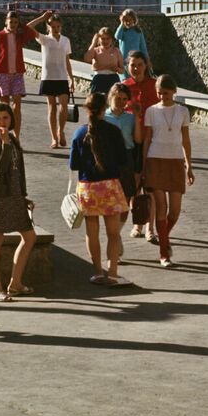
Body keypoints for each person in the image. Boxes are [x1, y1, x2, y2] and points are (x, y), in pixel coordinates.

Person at [69, 91, 131, 286]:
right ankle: (112, 273)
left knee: (92, 233)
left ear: (87, 109)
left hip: (88, 188)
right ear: (104, 108)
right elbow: (123, 160)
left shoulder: (80, 133)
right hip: (110, 185)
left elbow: (74, 164)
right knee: (113, 234)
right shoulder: (113, 131)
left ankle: (97, 272)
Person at [0, 103, 37, 302]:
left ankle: (15, 283)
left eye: (5, 118)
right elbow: (0, 168)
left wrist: (23, 195)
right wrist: (4, 143)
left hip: (14, 194)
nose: (2, 122)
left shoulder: (12, 138)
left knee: (29, 237)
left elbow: (17, 170)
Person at [141, 74, 193, 268]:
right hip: (155, 159)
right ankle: (164, 253)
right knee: (161, 207)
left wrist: (189, 165)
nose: (163, 96)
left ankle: (164, 238)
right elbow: (147, 138)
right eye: (160, 93)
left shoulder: (183, 111)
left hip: (176, 161)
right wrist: (144, 164)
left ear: (174, 92)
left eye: (167, 93)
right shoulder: (151, 111)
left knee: (175, 210)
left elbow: (186, 140)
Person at [121, 51, 161, 241]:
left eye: (139, 64)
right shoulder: (124, 87)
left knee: (151, 186)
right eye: (132, 65)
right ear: (127, 66)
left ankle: (150, 229)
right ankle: (138, 224)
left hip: (153, 142)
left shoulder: (154, 86)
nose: (136, 68)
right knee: (135, 186)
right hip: (131, 145)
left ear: (146, 65)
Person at [105, 82, 145, 242]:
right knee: (110, 200)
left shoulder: (129, 118)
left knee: (126, 199)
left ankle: (117, 235)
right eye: (118, 98)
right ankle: (113, 235)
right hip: (109, 160)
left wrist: (136, 117)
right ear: (111, 97)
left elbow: (138, 140)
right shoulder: (104, 116)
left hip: (127, 159)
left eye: (125, 99)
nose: (121, 102)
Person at [27, 10, 73, 148]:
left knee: (63, 107)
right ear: (49, 27)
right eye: (53, 26)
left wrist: (71, 78)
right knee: (52, 107)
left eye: (58, 26)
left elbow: (67, 60)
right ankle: (54, 138)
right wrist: (42, 17)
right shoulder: (44, 39)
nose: (56, 29)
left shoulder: (66, 40)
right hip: (48, 77)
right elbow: (28, 27)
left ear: (61, 26)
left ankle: (61, 131)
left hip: (62, 77)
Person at [0, 9, 34, 126]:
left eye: (15, 22)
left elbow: (31, 32)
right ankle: (5, 134)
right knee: (5, 108)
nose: (13, 24)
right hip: (2, 74)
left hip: (17, 74)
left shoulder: (19, 36)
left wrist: (22, 25)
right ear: (6, 22)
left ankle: (16, 137)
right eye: (11, 22)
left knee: (17, 106)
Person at [80, 27, 122, 96]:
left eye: (107, 38)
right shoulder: (95, 50)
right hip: (99, 79)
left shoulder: (116, 51)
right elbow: (87, 59)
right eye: (103, 39)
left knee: (112, 103)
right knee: (96, 103)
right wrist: (93, 43)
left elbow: (122, 70)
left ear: (111, 39)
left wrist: (116, 69)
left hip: (113, 78)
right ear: (99, 40)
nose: (105, 41)